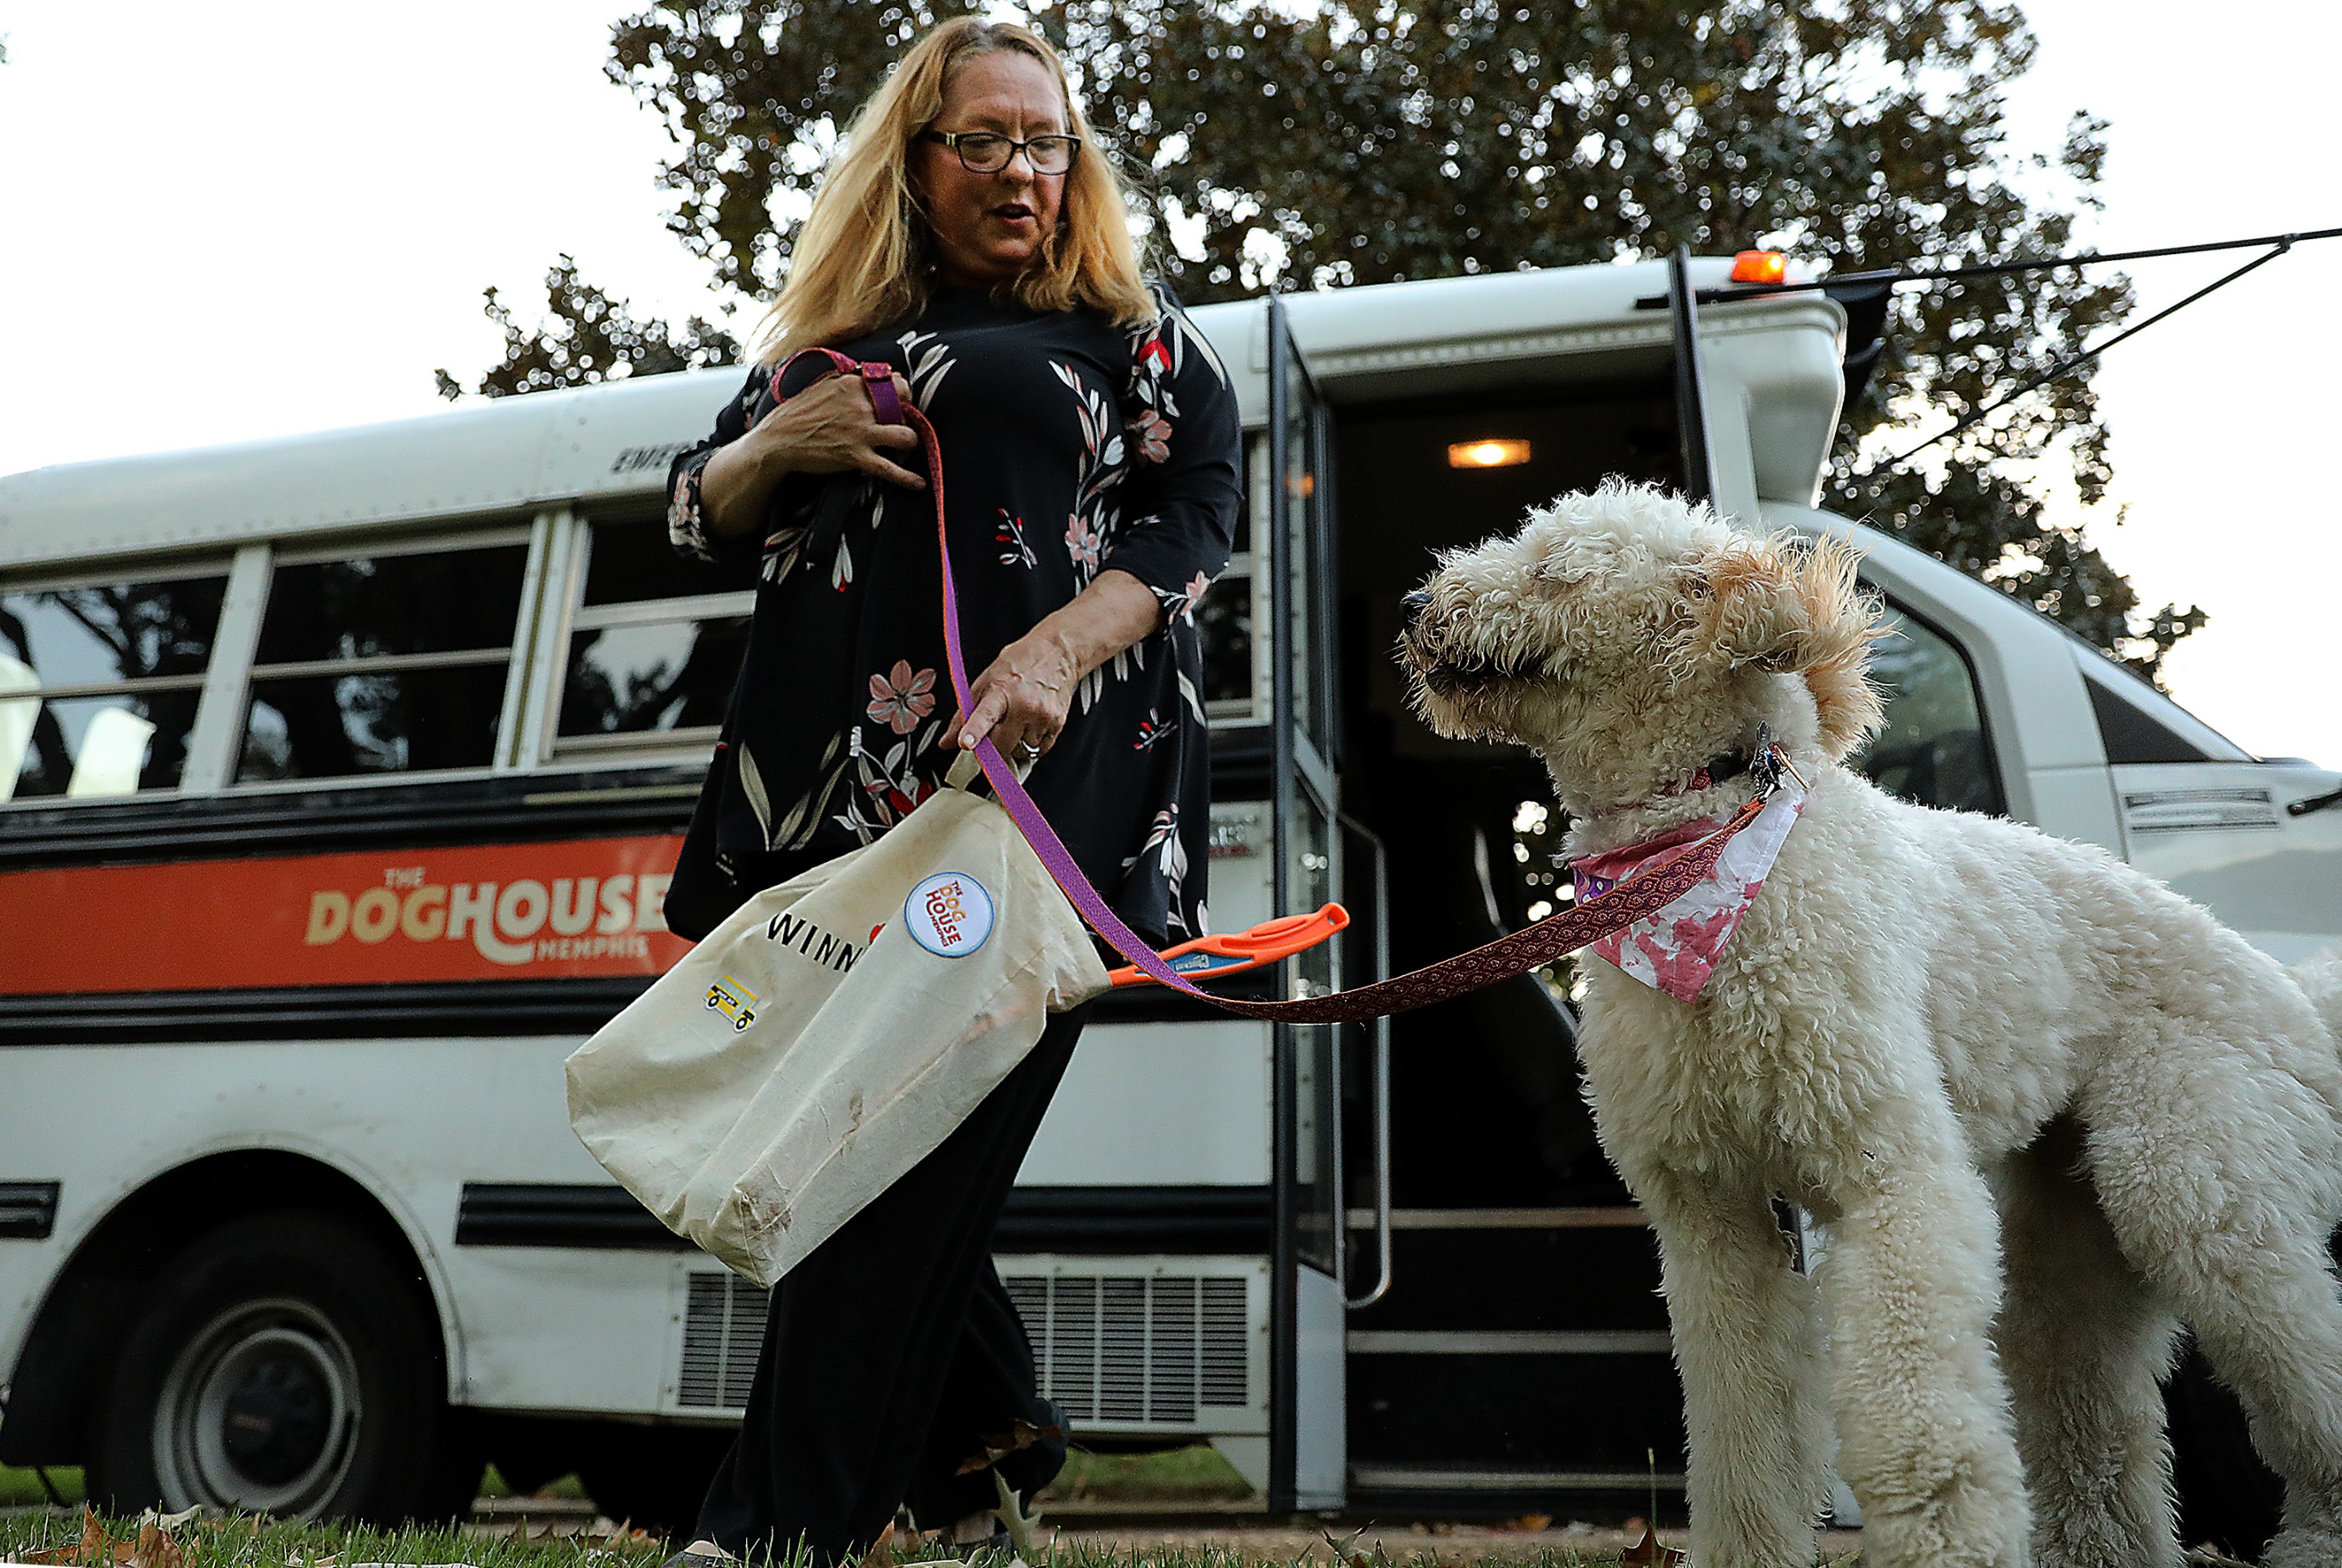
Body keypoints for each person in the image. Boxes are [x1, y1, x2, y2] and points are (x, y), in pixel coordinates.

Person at [657, 17, 1240, 1565]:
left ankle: (775, 1524)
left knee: (877, 1147)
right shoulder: (828, 343)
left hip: (1036, 793)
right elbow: (692, 513)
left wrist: (1057, 647)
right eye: (981, 140)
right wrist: (780, 439)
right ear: (914, 161)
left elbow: (1192, 525)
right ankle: (982, 1417)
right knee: (880, 1146)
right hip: (826, 811)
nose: (1020, 171)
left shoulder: (1137, 336)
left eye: (1045, 141)